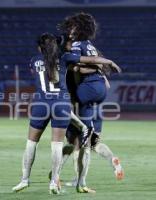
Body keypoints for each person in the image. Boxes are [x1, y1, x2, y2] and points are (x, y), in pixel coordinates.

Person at [12, 33, 120, 194]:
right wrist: (108, 62)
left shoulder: (34, 61)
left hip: (41, 104)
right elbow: (90, 60)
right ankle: (54, 183)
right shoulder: (65, 58)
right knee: (57, 145)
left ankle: (24, 180)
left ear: (40, 47)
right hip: (61, 104)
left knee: (31, 143)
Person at [59, 12, 124, 191]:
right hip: (96, 102)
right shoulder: (92, 49)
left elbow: (77, 68)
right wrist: (99, 69)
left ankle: (72, 179)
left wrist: (76, 69)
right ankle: (113, 160)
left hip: (84, 101)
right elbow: (105, 80)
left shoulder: (74, 50)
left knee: (76, 143)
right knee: (94, 143)